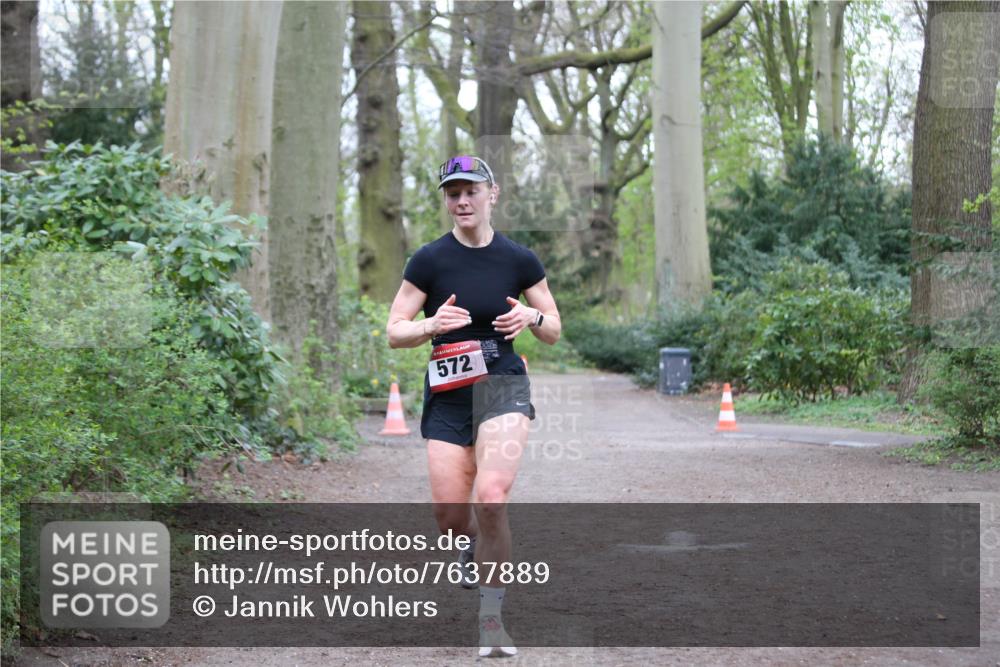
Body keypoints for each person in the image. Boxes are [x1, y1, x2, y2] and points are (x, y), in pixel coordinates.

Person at [386, 155, 561, 657]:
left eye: (471, 191)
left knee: (492, 496)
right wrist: (429, 326)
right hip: (448, 392)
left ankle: (491, 620)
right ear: (446, 200)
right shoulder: (428, 261)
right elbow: (395, 330)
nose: (462, 201)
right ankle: (465, 544)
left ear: (492, 194)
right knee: (450, 514)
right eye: (452, 193)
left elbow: (552, 329)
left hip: (503, 383)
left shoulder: (519, 259)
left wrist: (530, 316)